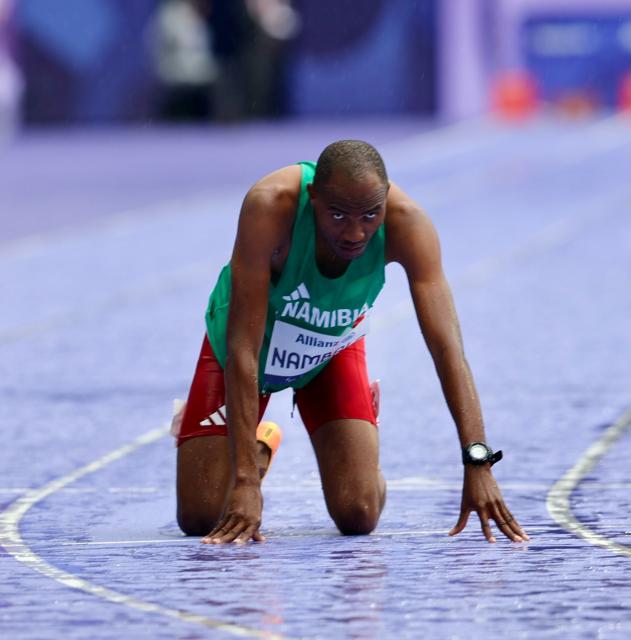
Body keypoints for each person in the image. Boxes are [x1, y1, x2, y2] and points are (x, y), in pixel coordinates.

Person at [174, 140, 529, 545]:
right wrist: (244, 483)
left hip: (327, 349)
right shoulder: (269, 206)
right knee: (202, 516)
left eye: (369, 215)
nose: (355, 232)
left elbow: (448, 348)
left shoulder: (408, 224)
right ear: (313, 199)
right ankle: (252, 442)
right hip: (244, 345)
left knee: (358, 513)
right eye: (338, 214)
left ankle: (354, 417)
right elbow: (243, 348)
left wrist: (478, 461)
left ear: (385, 201)